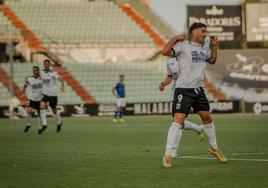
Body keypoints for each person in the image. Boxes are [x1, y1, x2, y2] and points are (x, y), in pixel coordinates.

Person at [161, 22, 227, 168]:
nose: (205, 33)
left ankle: (214, 148)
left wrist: (215, 46)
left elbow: (212, 60)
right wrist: (175, 38)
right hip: (183, 89)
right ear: (194, 31)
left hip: (199, 90)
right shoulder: (183, 45)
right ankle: (167, 154)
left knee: (207, 118)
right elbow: (164, 52)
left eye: (206, 31)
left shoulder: (205, 46)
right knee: (178, 120)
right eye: (203, 31)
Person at [159, 56, 205, 158]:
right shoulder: (169, 61)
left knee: (177, 121)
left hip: (189, 90)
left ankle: (174, 150)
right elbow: (170, 76)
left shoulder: (186, 55)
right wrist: (162, 84)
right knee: (178, 121)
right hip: (176, 92)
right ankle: (198, 129)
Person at [40, 59, 64, 133]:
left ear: (49, 65)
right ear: (44, 65)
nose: (46, 65)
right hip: (45, 93)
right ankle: (44, 124)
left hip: (53, 94)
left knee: (54, 110)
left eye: (47, 64)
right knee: (42, 106)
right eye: (45, 64)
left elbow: (61, 79)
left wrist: (62, 86)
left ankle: (59, 122)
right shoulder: (41, 72)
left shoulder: (53, 73)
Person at [22, 66, 43, 134]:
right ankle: (28, 124)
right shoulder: (30, 78)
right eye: (34, 70)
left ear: (38, 70)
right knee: (29, 111)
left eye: (36, 70)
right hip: (31, 98)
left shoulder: (42, 78)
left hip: (40, 99)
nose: (35, 71)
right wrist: (23, 91)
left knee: (40, 114)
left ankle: (40, 127)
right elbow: (25, 85)